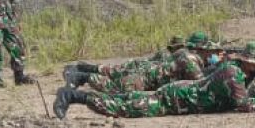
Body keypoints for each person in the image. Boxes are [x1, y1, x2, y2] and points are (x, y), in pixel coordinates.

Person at [53, 42, 255, 119]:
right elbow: (243, 104)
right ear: (248, 62)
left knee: (124, 99)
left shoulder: (238, 72)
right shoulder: (232, 73)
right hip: (175, 99)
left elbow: (245, 95)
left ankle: (77, 87)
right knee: (124, 106)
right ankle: (73, 95)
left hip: (179, 96)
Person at [65, 31, 224, 94]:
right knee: (111, 86)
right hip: (143, 79)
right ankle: (80, 77)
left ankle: (81, 74)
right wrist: (219, 67)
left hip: (146, 75)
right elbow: (199, 82)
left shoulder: (187, 55)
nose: (214, 54)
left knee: (112, 77)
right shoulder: (189, 59)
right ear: (202, 50)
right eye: (212, 52)